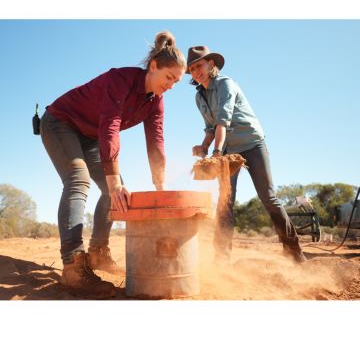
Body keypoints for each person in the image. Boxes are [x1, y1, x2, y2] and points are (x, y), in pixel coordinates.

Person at [40, 31, 186, 298]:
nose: (172, 85)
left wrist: (160, 186)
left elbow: (156, 142)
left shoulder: (157, 101)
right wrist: (115, 179)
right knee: (79, 179)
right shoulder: (120, 79)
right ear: (153, 66)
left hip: (90, 135)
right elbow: (110, 127)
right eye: (169, 77)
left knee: (115, 194)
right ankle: (73, 266)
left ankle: (98, 253)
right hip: (60, 122)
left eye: (177, 81)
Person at [187, 45, 306, 264]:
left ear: (211, 64)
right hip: (227, 150)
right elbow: (211, 127)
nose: (196, 71)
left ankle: (294, 253)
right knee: (225, 203)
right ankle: (221, 260)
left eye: (199, 66)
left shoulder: (225, 84)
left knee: (268, 198)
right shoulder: (199, 97)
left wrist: (215, 152)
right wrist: (204, 147)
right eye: (192, 68)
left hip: (252, 144)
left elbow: (224, 119)